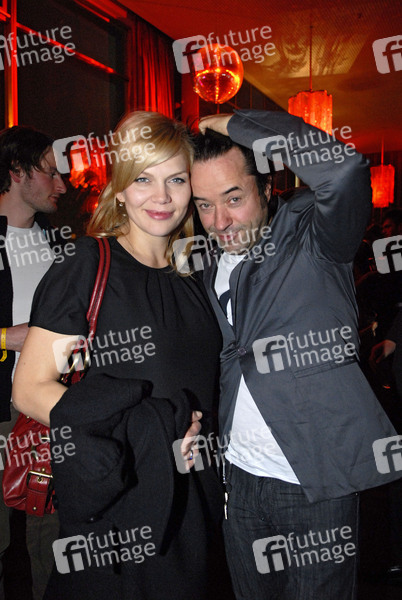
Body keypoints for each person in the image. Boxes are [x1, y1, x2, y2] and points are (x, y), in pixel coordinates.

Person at [12, 111, 227, 600]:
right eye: (143, 179)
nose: (162, 196)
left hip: (196, 496)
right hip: (124, 495)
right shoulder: (87, 263)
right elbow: (29, 390)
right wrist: (147, 431)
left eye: (176, 179)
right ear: (121, 189)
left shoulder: (197, 275)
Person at [190, 110, 401, 600]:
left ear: (267, 188)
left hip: (313, 481)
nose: (219, 221)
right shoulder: (207, 261)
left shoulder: (314, 235)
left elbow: (343, 170)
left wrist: (233, 123)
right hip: (240, 479)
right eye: (204, 205)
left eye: (234, 198)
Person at [0, 125, 67, 600]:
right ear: (17, 171)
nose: (61, 185)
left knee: (52, 537)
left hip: (49, 407)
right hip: (2, 412)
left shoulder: (60, 243)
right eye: (50, 172)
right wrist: (9, 337)